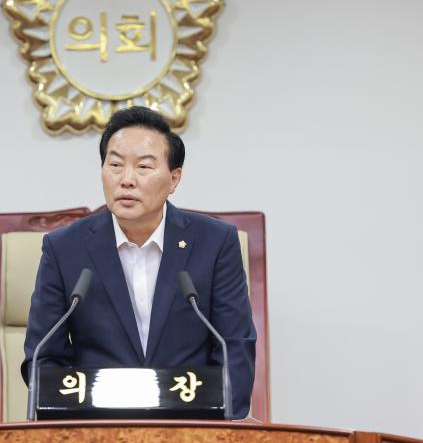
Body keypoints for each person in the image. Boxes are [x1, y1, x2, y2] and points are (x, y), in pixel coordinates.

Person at [21, 106, 256, 419]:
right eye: (115, 165)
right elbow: (43, 357)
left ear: (174, 179)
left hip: (192, 428)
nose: (126, 180)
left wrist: (218, 432)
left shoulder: (215, 243)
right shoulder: (64, 248)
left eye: (144, 167)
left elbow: (234, 347)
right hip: (96, 429)